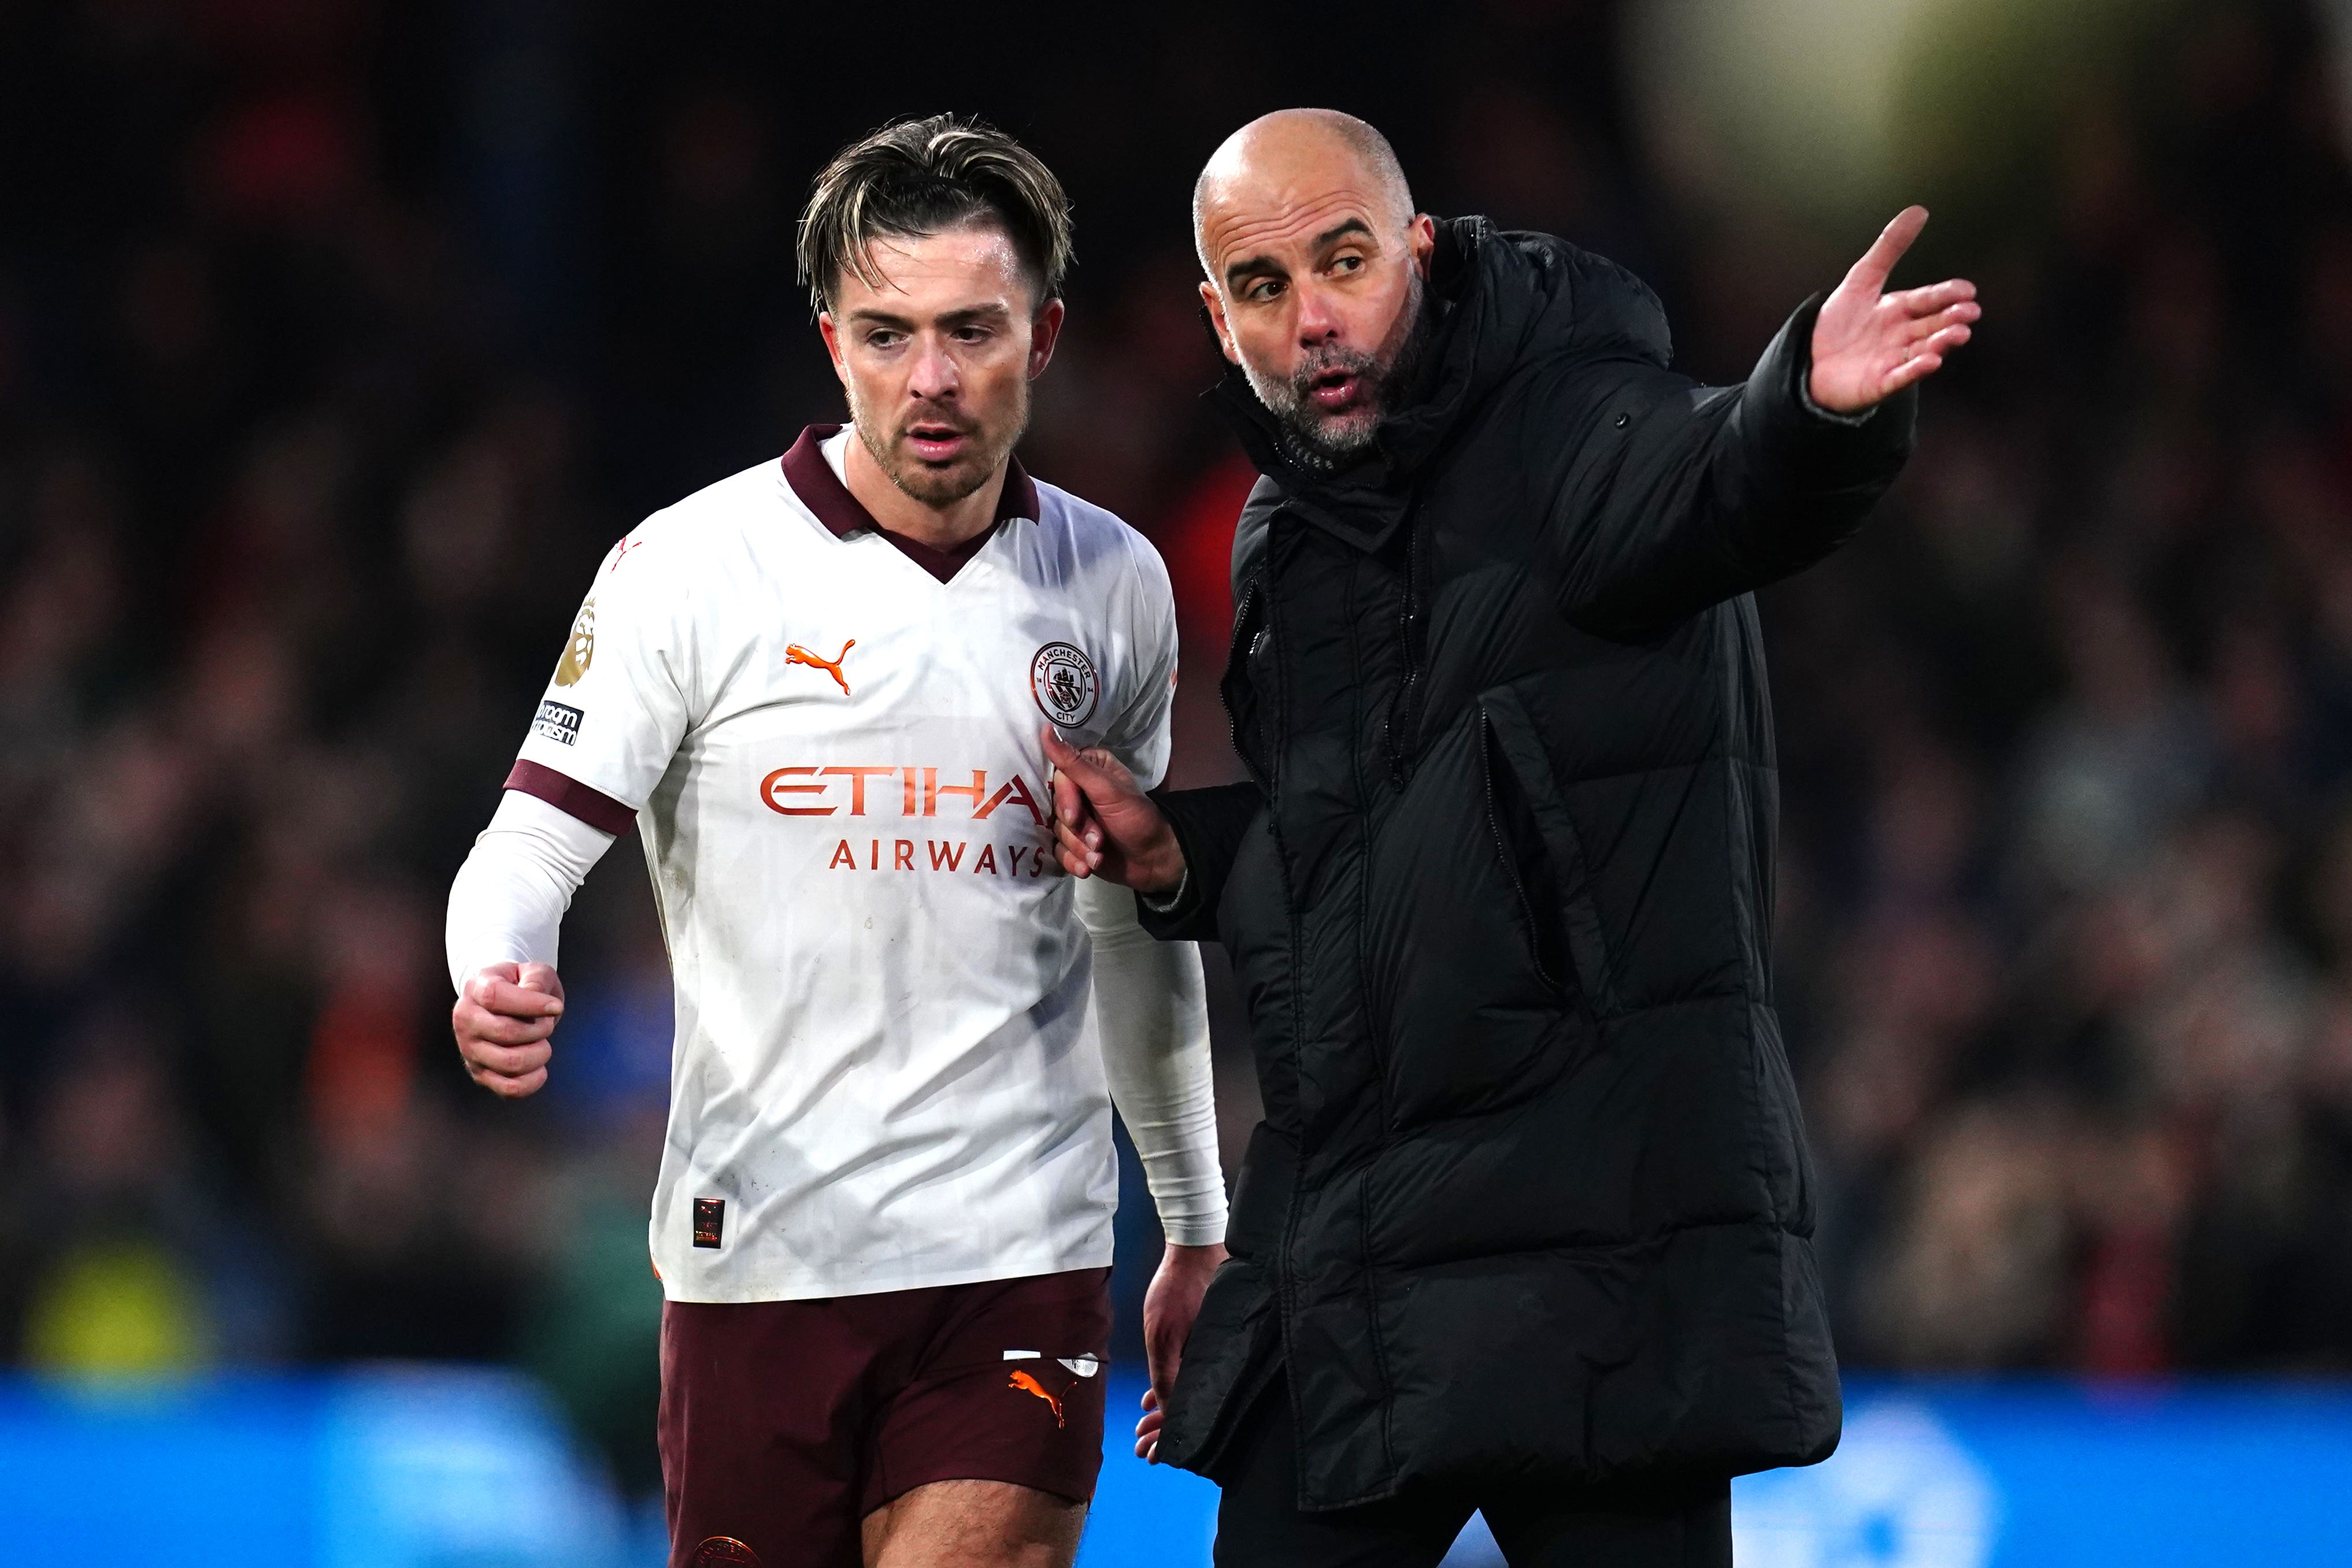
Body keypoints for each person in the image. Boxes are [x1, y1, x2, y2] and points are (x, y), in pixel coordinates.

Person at [1044, 109, 1979, 1566]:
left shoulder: (1571, 420)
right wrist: (1182, 858)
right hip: (1361, 1251)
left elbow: (1715, 479)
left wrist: (1810, 406)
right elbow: (1370, 851)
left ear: (1417, 248)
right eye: (1268, 289)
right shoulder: (1288, 529)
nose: (1317, 320)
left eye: (1344, 261)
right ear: (1218, 321)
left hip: (1598, 1240)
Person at [444, 115, 1228, 1568]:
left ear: (1044, 334)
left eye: (971, 331)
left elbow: (1137, 923)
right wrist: (497, 966)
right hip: (763, 1254)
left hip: (1020, 1255)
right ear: (829, 340)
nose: (930, 378)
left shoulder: (1113, 585)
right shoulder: (690, 565)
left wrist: (1189, 1217)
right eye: (887, 333)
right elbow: (528, 846)